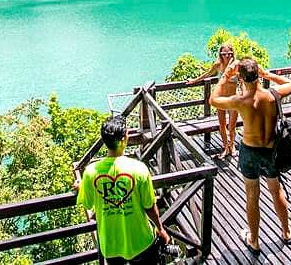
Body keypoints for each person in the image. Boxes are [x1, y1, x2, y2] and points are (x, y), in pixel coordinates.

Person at [209, 58, 291, 254]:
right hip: (271, 150)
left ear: (240, 77)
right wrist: (268, 75)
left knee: (252, 195)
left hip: (250, 152)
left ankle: (254, 240)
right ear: (257, 74)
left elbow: (213, 100)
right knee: (276, 190)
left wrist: (225, 76)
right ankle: (286, 231)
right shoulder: (273, 95)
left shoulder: (241, 101)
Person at [76, 115, 171, 264]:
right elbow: (149, 206)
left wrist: (81, 186)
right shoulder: (139, 169)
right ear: (124, 139)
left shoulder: (90, 172)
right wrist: (160, 229)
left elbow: (87, 204)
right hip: (141, 240)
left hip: (110, 243)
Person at [187, 43, 239, 159]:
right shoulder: (218, 65)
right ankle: (225, 147)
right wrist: (194, 81)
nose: (226, 56)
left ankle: (232, 146)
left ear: (232, 53)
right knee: (222, 125)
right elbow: (207, 74)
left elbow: (244, 78)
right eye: (224, 53)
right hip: (220, 98)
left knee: (231, 126)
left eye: (229, 53)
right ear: (220, 54)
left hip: (233, 99)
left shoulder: (236, 65)